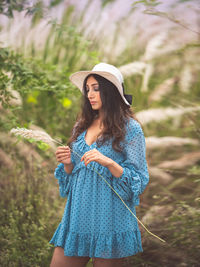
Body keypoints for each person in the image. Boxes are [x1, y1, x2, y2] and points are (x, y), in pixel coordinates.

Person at [49, 63, 149, 267]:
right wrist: (68, 163)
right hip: (78, 217)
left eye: (96, 88)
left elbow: (139, 178)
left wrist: (109, 162)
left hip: (110, 220)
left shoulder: (131, 128)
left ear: (110, 91)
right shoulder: (82, 124)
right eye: (87, 89)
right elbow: (71, 178)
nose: (89, 94)